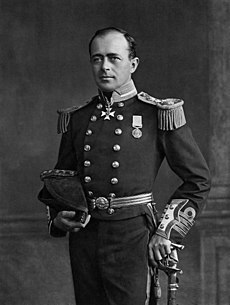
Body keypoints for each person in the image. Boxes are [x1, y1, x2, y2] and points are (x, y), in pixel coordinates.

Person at [39, 27, 211, 305]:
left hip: (133, 237)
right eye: (97, 59)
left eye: (113, 58)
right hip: (86, 239)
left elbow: (198, 180)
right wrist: (59, 216)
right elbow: (64, 178)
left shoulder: (158, 114)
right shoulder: (79, 118)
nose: (104, 66)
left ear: (133, 64)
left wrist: (166, 231)